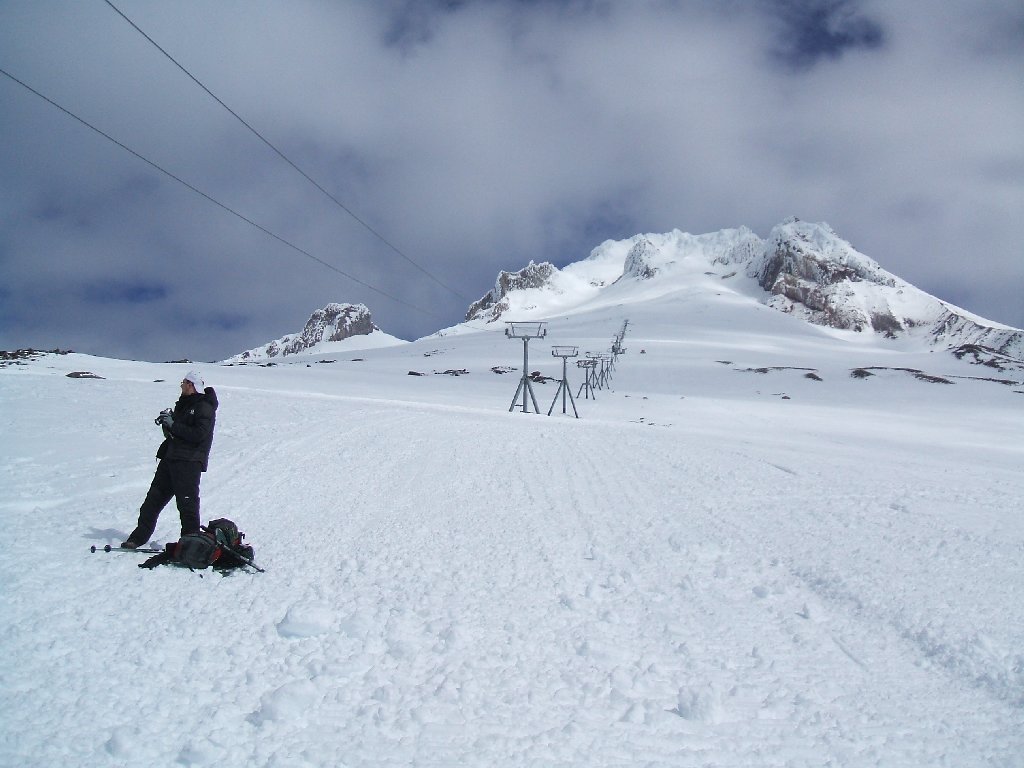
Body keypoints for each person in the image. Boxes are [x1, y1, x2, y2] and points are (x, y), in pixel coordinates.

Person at [122, 371, 219, 549]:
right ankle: (137, 538)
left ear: (191, 385)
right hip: (171, 458)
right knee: (153, 500)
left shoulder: (204, 406)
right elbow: (177, 434)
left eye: (183, 382)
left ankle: (190, 546)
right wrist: (168, 425)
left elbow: (199, 434)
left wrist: (174, 424)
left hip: (189, 462)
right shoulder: (184, 405)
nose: (181, 385)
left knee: (187, 504)